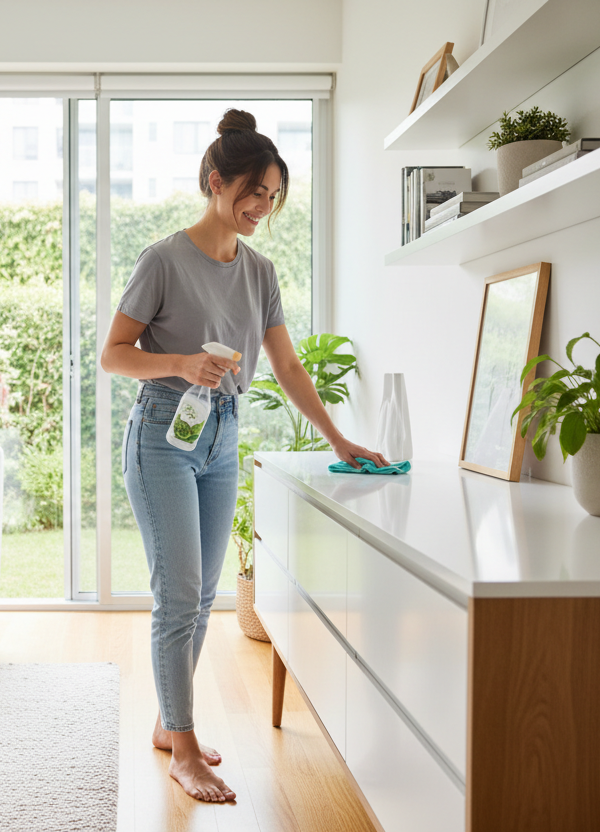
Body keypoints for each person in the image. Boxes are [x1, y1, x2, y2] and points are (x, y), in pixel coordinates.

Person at [99, 109, 390, 803]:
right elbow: (112, 355)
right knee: (178, 596)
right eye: (253, 192)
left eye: (273, 195)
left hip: (222, 436)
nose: (262, 207)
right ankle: (186, 748)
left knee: (202, 597)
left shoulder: (259, 272)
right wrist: (182, 362)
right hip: (163, 435)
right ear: (215, 182)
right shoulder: (164, 259)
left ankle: (173, 726)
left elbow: (288, 367)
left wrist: (339, 438)